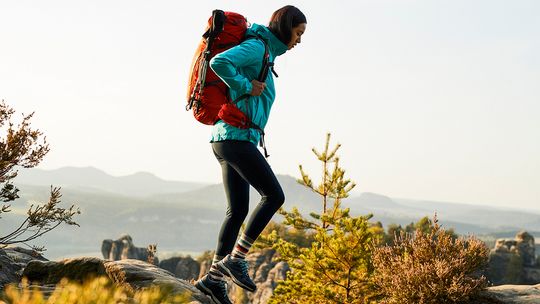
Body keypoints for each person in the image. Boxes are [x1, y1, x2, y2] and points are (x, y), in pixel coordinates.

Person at [194, 5, 306, 304]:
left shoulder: (265, 51)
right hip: (235, 138)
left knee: (237, 211)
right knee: (274, 196)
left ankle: (212, 281)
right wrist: (246, 86)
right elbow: (220, 62)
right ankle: (236, 259)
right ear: (285, 28)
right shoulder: (258, 47)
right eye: (298, 33)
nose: (299, 40)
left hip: (227, 137)